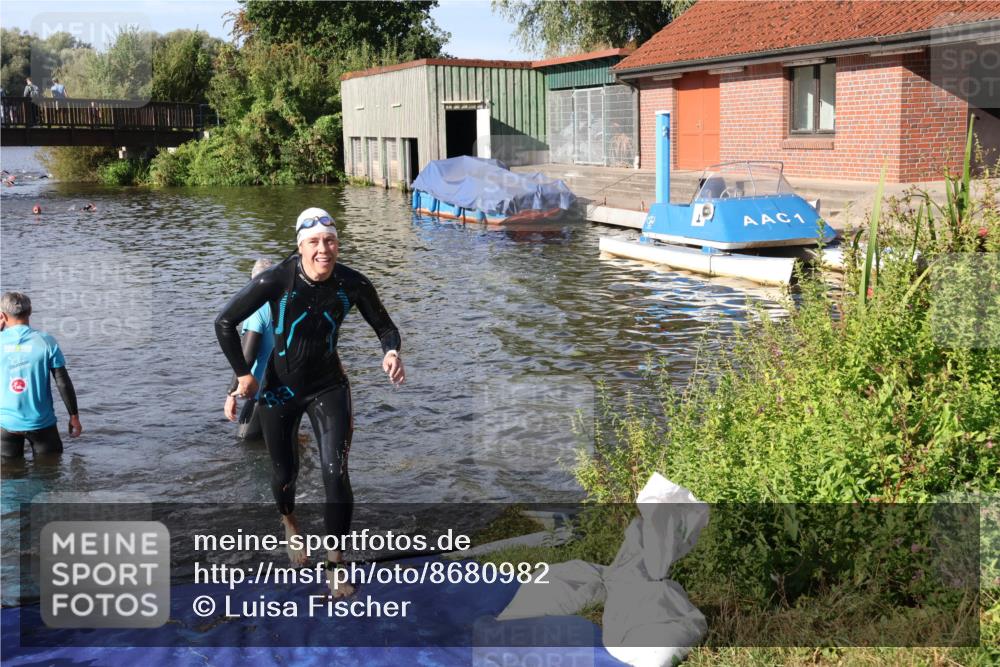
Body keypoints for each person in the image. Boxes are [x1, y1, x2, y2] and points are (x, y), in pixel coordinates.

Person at [215, 207, 404, 598]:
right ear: (300, 246)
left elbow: (385, 327)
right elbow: (224, 322)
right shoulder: (275, 280)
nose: (324, 250)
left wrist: (391, 352)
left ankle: (335, 564)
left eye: (330, 241)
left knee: (336, 472)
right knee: (285, 475)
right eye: (315, 242)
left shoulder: (352, 283)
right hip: (279, 390)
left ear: (338, 245)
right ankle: (290, 523)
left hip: (329, 386)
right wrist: (242, 376)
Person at [1, 292, 82, 459]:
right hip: (42, 423)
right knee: (50, 471)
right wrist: (74, 416)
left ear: (2, 315)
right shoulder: (46, 341)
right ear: (30, 311)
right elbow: (63, 382)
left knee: (9, 473)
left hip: (6, 424)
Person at [224, 258, 275, 441]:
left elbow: (247, 357)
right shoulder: (287, 304)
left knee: (245, 443)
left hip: (263, 392)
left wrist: (231, 393)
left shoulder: (256, 312)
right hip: (290, 390)